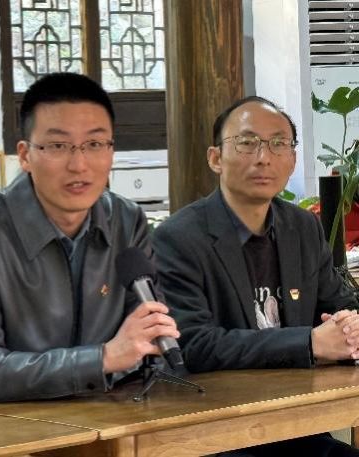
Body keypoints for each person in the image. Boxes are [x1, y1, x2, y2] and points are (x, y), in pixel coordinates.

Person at [0, 72, 180, 411]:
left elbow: (144, 340)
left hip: (95, 414)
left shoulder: (126, 221)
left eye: (95, 144)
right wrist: (101, 358)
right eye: (58, 146)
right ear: (25, 155)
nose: (79, 164)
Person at [152, 96, 359, 456]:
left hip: (296, 425)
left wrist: (350, 325)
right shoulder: (178, 237)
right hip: (216, 432)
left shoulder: (302, 227)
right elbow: (192, 345)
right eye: (247, 143)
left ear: (292, 159)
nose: (264, 157)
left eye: (279, 144)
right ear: (215, 158)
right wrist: (309, 343)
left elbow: (338, 303)